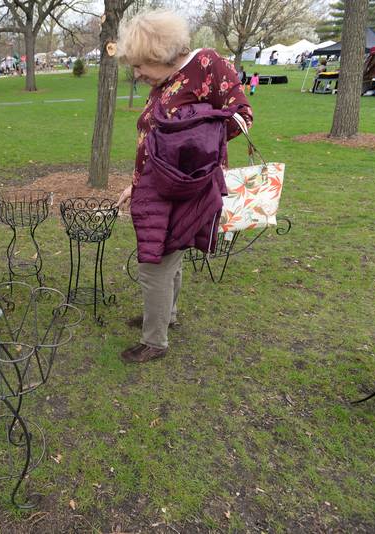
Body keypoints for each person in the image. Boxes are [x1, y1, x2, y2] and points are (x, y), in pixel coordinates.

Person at [114, 10, 253, 364]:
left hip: (185, 188)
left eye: (140, 64)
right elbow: (151, 139)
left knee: (155, 264)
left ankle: (154, 341)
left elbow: (241, 116)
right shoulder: (164, 82)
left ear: (159, 53)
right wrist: (135, 184)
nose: (137, 73)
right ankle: (163, 316)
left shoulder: (207, 64)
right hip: (156, 187)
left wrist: (191, 140)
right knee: (169, 256)